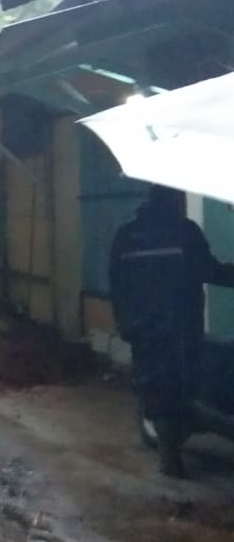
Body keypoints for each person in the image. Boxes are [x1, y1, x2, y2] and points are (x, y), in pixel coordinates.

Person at [108, 185, 234, 478]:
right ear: (176, 200)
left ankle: (170, 455)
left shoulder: (126, 236)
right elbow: (209, 270)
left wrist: (125, 325)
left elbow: (117, 284)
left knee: (156, 388)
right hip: (180, 328)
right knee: (182, 386)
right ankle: (178, 443)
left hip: (144, 330)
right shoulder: (185, 232)